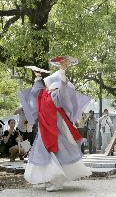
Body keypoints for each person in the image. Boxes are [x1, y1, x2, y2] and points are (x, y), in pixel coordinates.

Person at [19, 61, 92, 192]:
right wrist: (37, 77)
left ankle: (57, 181)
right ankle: (51, 178)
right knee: (46, 153)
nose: (49, 86)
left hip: (57, 128)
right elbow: (35, 94)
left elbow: (64, 91)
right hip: (45, 129)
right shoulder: (45, 95)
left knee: (58, 152)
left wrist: (63, 72)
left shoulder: (57, 95)